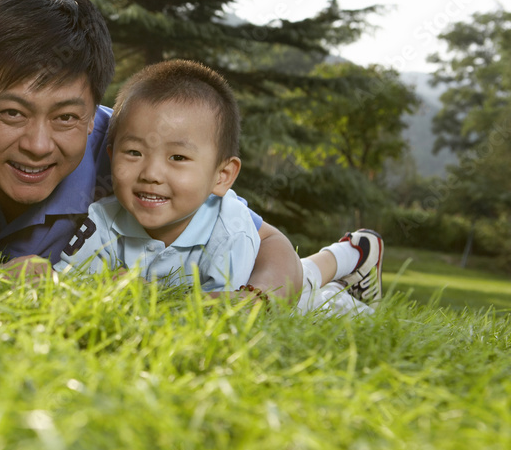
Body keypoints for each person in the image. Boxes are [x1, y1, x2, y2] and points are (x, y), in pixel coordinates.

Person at [0, 0, 304, 298]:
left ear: (94, 111)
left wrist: (257, 301)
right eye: (13, 113)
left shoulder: (125, 148)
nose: (38, 145)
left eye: (66, 117)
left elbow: (269, 242)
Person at [53, 59, 384, 312]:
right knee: (303, 274)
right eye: (134, 152)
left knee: (313, 297)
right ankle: (355, 252)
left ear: (221, 176)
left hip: (279, 296)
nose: (151, 173)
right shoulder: (102, 219)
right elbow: (68, 284)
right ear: (111, 157)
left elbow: (221, 313)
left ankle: (353, 259)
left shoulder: (230, 230)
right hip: (276, 274)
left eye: (178, 158)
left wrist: (140, 293)